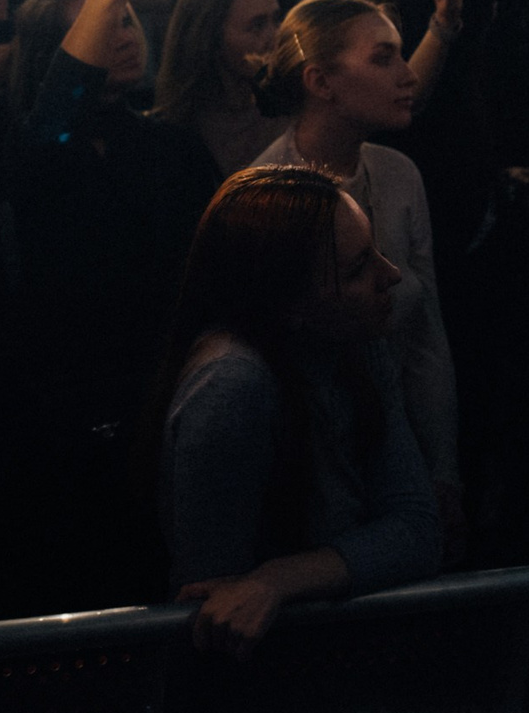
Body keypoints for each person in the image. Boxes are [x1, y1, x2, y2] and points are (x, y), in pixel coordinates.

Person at [0, 0, 222, 611]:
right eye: (101, 24)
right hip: (70, 404)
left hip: (173, 389)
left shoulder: (169, 142)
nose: (123, 35)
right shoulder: (32, 150)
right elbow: (57, 116)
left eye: (128, 20)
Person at [155, 166, 440, 657]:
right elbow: (216, 606)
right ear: (288, 304)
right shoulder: (233, 388)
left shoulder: (356, 342)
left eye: (375, 250)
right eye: (357, 268)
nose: (390, 274)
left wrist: (279, 579)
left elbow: (417, 526)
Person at [251, 0, 463, 552]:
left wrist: (442, 466)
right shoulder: (269, 194)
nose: (407, 73)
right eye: (384, 58)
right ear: (320, 82)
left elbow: (427, 335)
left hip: (404, 450)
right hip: (313, 470)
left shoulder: (397, 174)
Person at [152, 0, 285, 175]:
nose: (275, 37)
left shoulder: (292, 110)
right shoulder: (173, 134)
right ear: (210, 37)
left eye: (276, 20)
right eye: (257, 25)